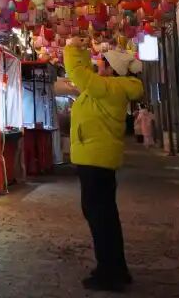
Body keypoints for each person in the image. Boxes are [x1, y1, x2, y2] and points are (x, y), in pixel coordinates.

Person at [64, 37, 144, 292]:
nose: (98, 66)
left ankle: (110, 273)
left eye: (102, 63)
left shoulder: (108, 88)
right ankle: (115, 267)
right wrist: (83, 50)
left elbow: (77, 73)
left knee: (100, 216)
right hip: (96, 157)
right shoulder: (110, 86)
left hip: (95, 158)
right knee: (104, 215)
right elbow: (85, 73)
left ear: (111, 69)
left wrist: (72, 47)